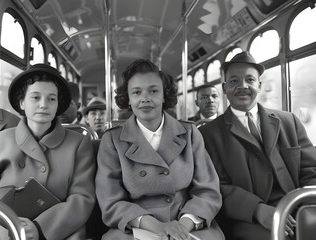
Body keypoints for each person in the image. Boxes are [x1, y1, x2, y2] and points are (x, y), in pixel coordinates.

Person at [95, 59, 224, 240]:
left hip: (187, 223)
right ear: (129, 99)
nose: (145, 98)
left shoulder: (189, 133)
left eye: (153, 91)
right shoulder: (113, 140)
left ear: (164, 96)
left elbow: (208, 190)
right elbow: (111, 200)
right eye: (137, 92)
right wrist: (158, 227)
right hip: (136, 227)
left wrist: (181, 227)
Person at [199, 51, 316, 240]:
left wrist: (307, 205)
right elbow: (217, 187)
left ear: (259, 85)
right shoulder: (208, 134)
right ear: (224, 88)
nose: (243, 86)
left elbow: (310, 169)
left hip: (298, 206)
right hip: (248, 218)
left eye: (250, 80)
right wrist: (257, 210)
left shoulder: (288, 121)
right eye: (234, 81)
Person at [0, 64, 95, 240]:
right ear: (22, 103)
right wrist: (7, 224)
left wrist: (40, 228)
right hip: (4, 226)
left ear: (57, 105)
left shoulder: (78, 143)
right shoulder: (1, 140)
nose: (43, 105)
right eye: (35, 97)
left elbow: (82, 198)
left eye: (51, 99)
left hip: (61, 230)